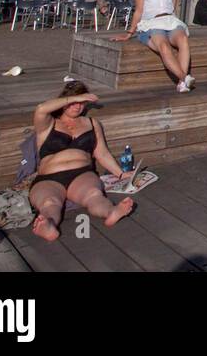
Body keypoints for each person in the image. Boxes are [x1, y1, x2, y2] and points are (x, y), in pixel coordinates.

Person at [28, 81, 135, 242]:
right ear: (64, 101)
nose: (77, 106)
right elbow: (41, 108)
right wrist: (75, 97)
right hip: (49, 177)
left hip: (82, 174)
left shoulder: (92, 123)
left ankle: (111, 212)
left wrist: (121, 174)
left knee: (94, 195)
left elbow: (102, 153)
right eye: (73, 102)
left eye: (81, 103)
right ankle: (48, 225)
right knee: (50, 202)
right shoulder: (48, 123)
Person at [111, 0, 194, 92]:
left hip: (170, 20)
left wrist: (176, 22)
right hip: (151, 23)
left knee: (183, 39)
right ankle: (184, 78)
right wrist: (129, 33)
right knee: (163, 45)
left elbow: (173, 6)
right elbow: (139, 11)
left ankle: (182, 83)